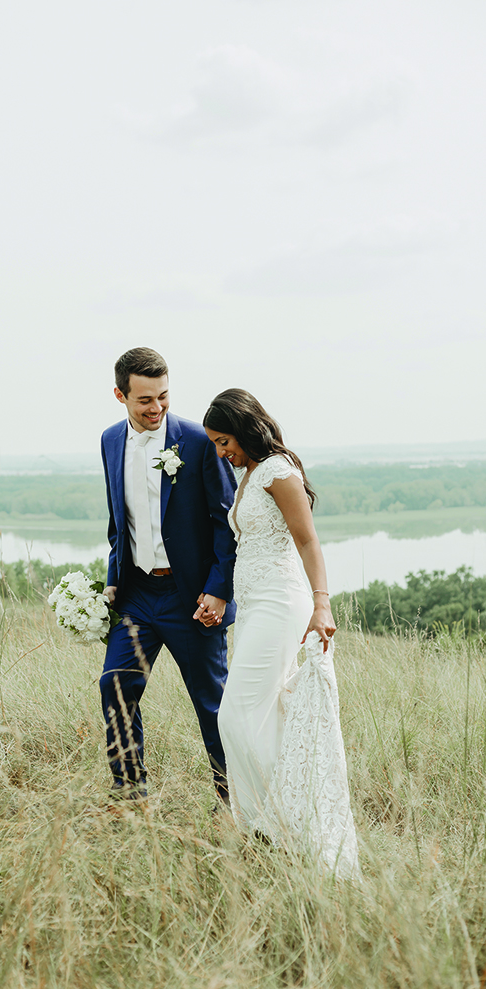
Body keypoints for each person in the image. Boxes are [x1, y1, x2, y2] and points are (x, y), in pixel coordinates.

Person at [202, 388, 359, 877]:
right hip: (251, 608)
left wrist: (322, 603)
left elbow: (307, 538)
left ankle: (278, 819)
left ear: (246, 427)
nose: (220, 451)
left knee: (236, 713)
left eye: (224, 440)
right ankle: (266, 827)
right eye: (215, 443)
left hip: (280, 602)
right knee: (260, 714)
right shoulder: (247, 474)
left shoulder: (277, 470)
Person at [100, 347, 237, 804]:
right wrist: (112, 579)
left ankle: (235, 800)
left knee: (211, 704)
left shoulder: (199, 442)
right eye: (144, 400)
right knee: (115, 685)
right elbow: (118, 524)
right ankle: (129, 793)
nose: (156, 408)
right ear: (120, 395)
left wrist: (218, 591)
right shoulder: (109, 441)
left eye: (162, 397)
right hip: (137, 595)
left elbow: (227, 523)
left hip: (192, 599)